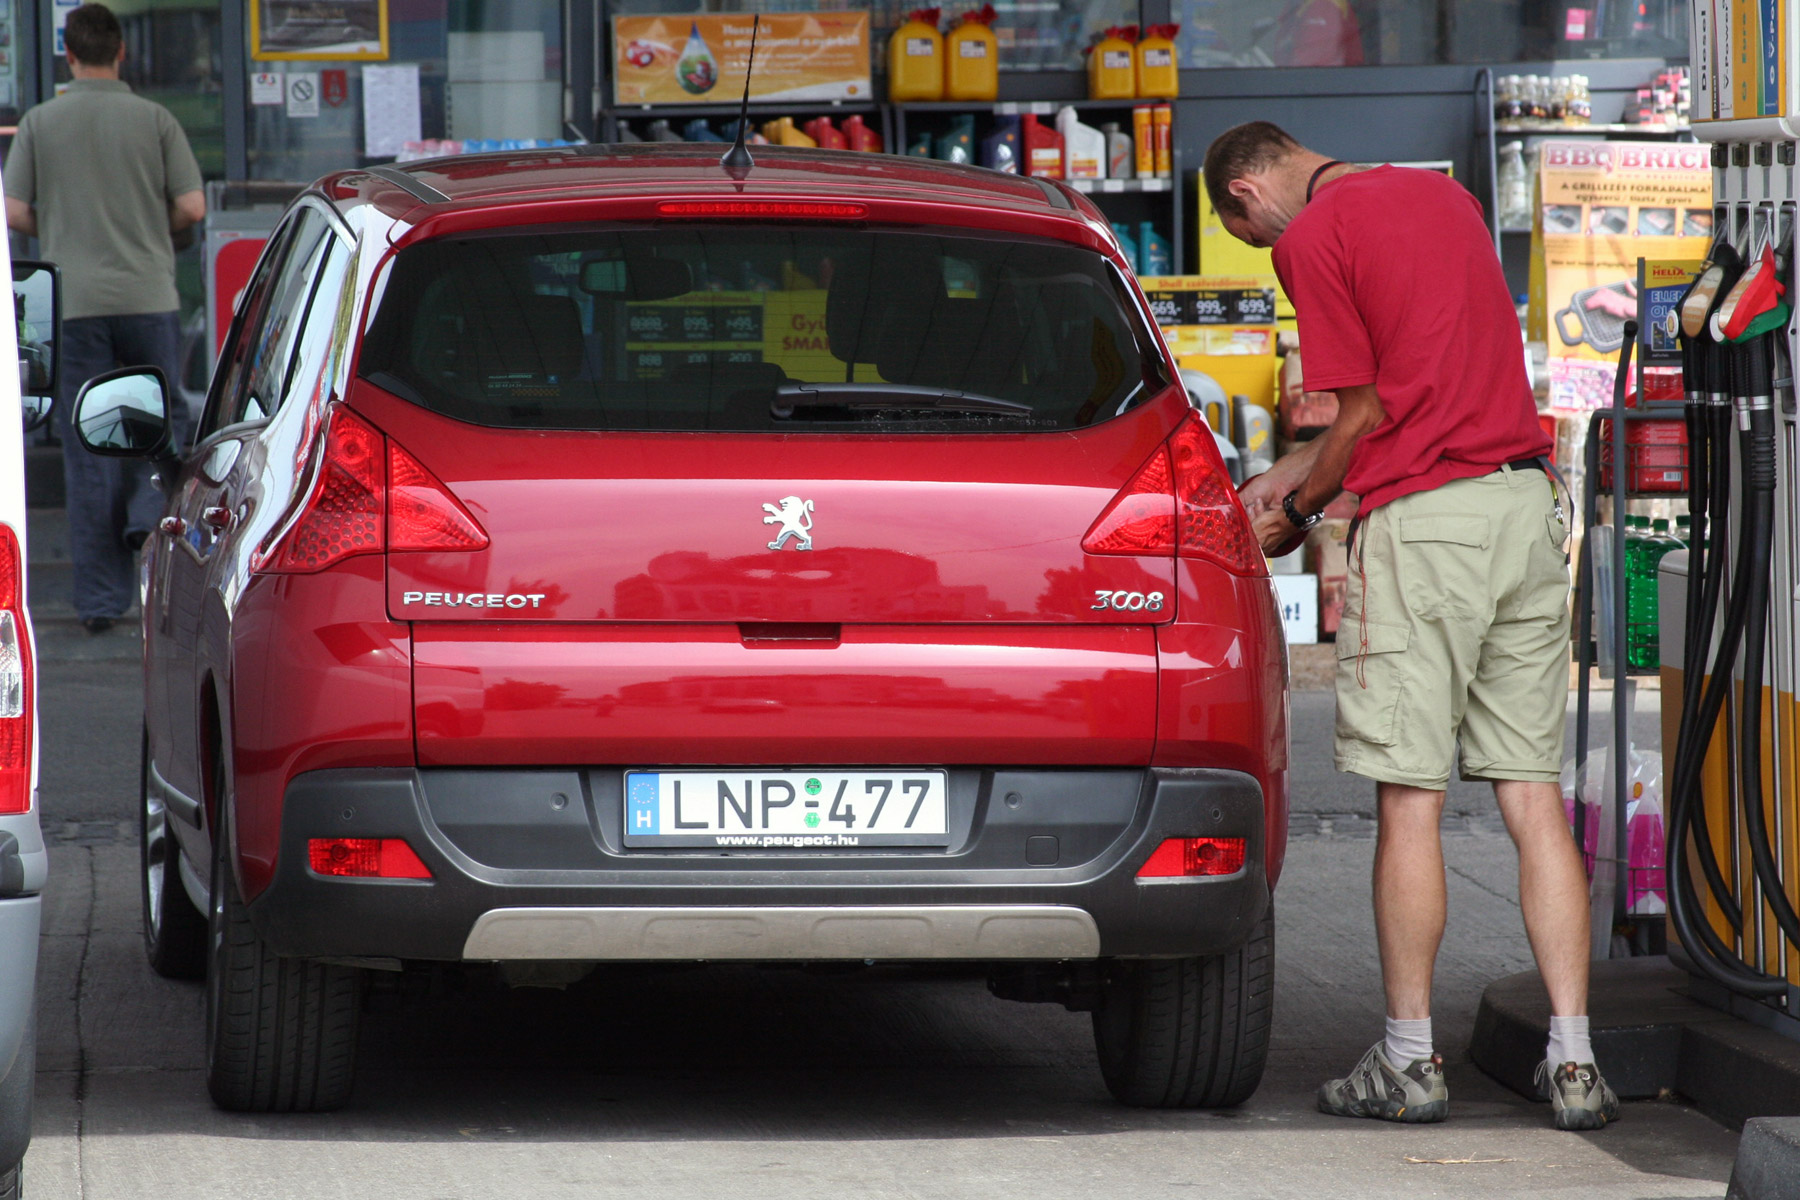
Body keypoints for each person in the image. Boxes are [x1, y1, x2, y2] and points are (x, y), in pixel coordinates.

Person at [1203, 121, 1619, 1131]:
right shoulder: (1448, 203)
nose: (1265, 249)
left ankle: (1407, 1059)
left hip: (1425, 532)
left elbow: (1364, 414)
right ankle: (1575, 1063)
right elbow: (1413, 397)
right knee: (1530, 796)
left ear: (1246, 197)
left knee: (1411, 801)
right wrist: (1285, 474)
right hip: (1522, 509)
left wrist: (1296, 517)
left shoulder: (1312, 238)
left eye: (1247, 235)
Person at [4, 2, 204, 633]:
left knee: (86, 445)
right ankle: (148, 512)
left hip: (74, 306)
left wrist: (58, 225)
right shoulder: (155, 119)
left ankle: (97, 602)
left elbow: (13, 211)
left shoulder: (40, 122)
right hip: (148, 294)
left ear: (69, 54)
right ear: (122, 53)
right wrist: (153, 229)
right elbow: (194, 208)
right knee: (160, 421)